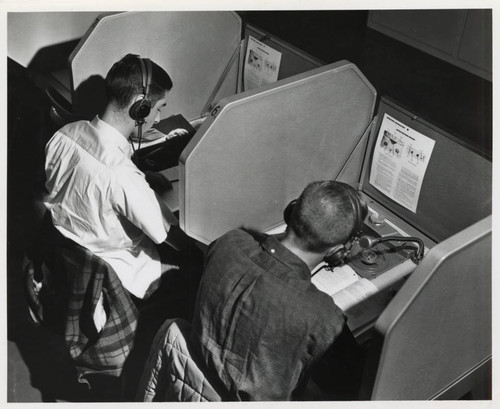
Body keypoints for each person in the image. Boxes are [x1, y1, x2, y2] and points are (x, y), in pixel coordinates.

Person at [189, 180, 368, 401]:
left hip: (191, 382)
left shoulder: (229, 242)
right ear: (336, 252)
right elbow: (354, 384)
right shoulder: (324, 316)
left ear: (291, 212)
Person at [43, 53, 190, 304]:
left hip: (67, 254)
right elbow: (172, 238)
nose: (156, 118)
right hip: (122, 275)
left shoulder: (64, 134)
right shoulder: (122, 175)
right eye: (158, 108)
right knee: (194, 263)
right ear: (139, 106)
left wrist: (141, 178)